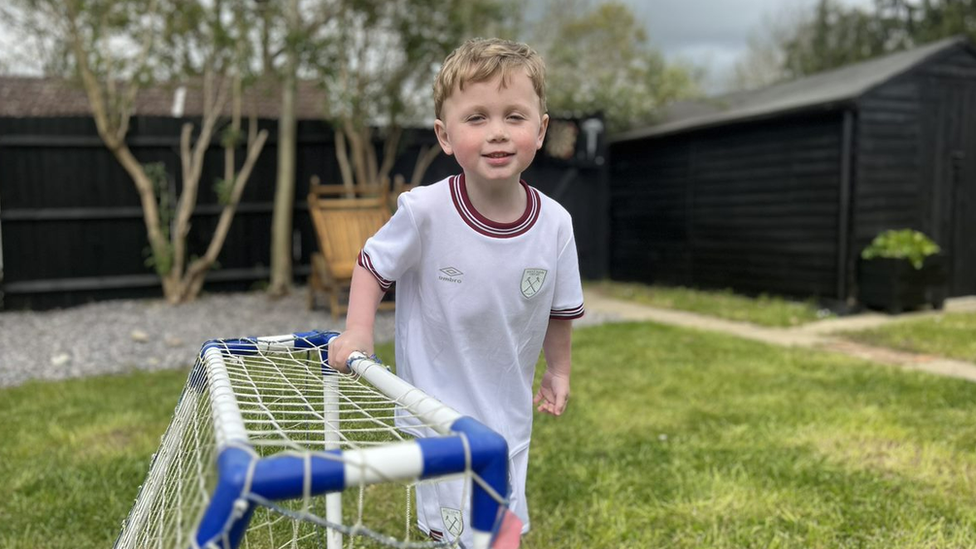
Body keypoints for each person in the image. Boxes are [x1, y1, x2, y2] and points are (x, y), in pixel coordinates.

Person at [327, 37, 584, 547]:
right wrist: (358, 328)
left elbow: (560, 309)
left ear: (541, 129)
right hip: (437, 413)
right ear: (445, 135)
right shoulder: (425, 211)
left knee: (499, 528)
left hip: (507, 413)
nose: (497, 134)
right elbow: (373, 265)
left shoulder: (555, 224)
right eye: (477, 118)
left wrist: (558, 370)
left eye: (515, 116)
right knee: (464, 535)